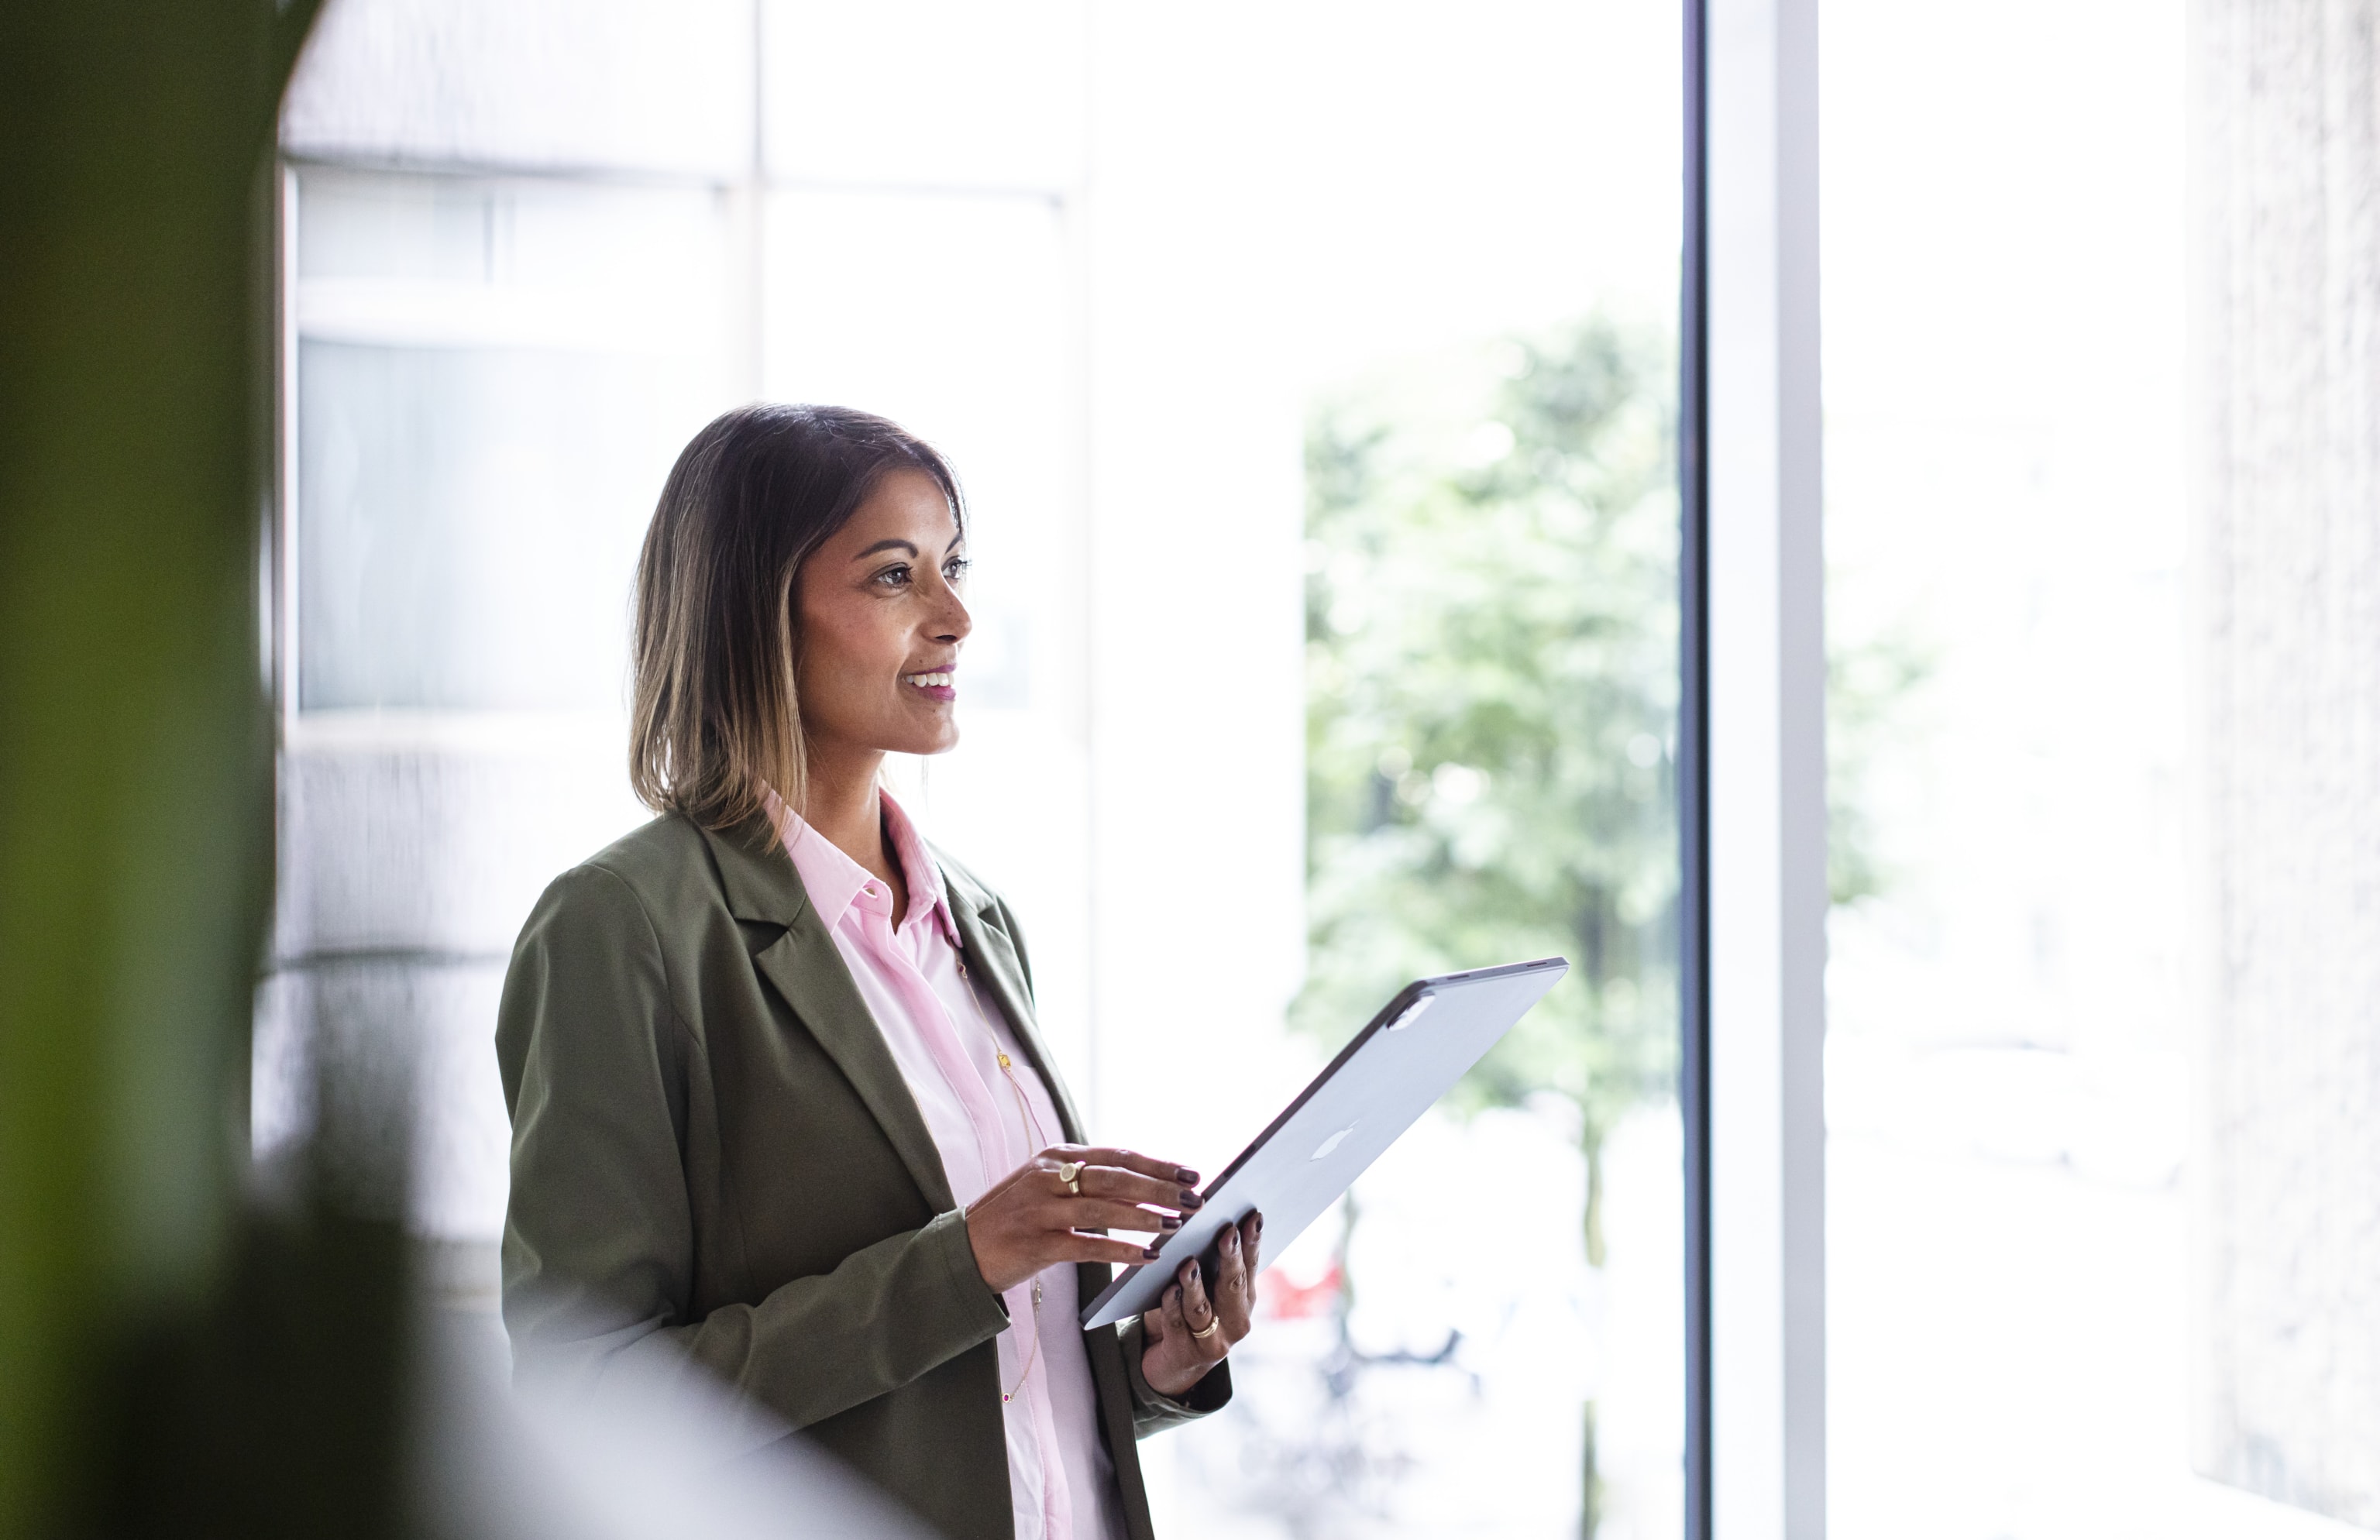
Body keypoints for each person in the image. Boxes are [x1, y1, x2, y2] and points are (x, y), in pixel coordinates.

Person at [495, 404, 1261, 1540]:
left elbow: (993, 1403)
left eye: (951, 569)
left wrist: (1154, 1363)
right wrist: (960, 1263)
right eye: (896, 577)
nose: (955, 618)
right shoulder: (625, 928)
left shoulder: (976, 916)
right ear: (755, 610)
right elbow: (586, 1398)